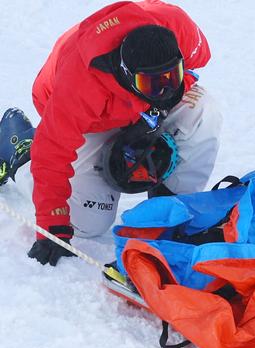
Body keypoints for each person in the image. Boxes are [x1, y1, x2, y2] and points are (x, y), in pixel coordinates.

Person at [0, 0, 222, 266]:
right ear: (127, 74)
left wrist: (161, 101)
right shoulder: (79, 85)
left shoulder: (177, 27)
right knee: (87, 222)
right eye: (151, 82)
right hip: (88, 118)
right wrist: (52, 225)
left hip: (134, 102)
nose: (165, 89)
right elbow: (52, 154)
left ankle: (168, 207)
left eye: (172, 76)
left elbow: (198, 64)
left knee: (204, 110)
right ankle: (21, 153)